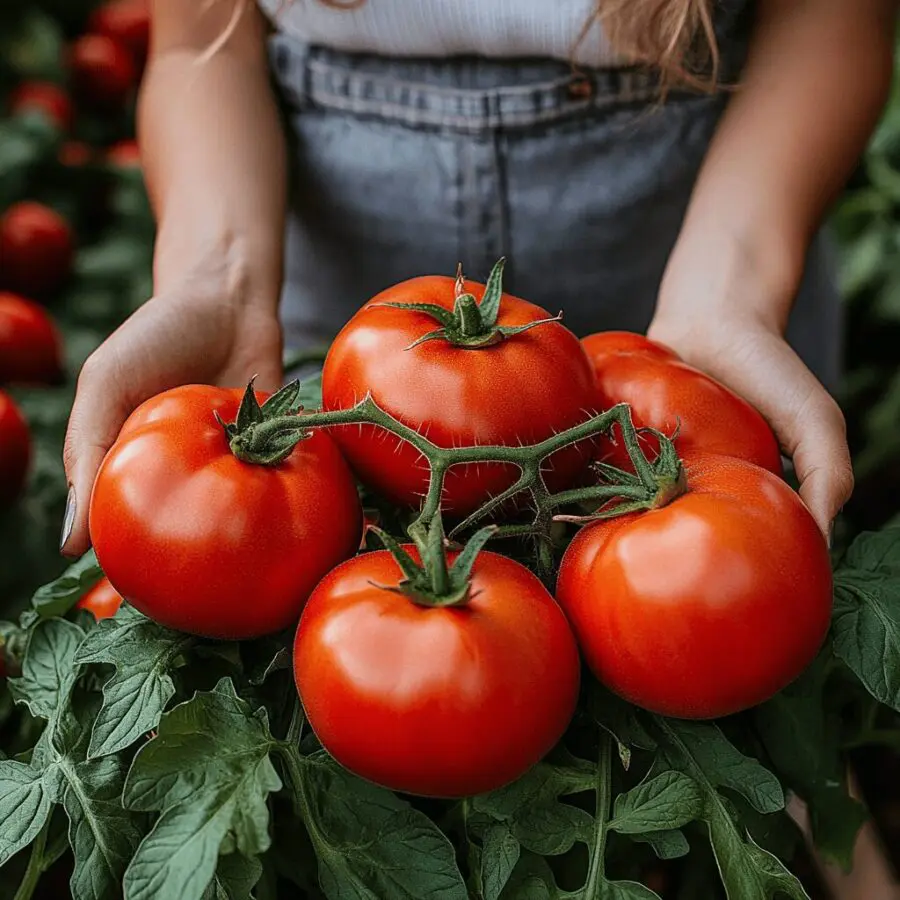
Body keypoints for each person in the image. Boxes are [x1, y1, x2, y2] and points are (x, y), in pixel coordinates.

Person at [57, 2, 897, 895]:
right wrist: (215, 280)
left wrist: (731, 292)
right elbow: (196, 39)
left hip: (701, 252)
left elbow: (834, 15)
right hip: (333, 322)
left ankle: (816, 808)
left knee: (750, 699)